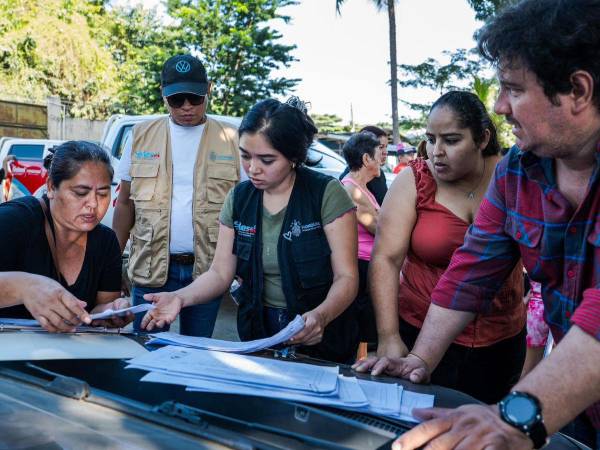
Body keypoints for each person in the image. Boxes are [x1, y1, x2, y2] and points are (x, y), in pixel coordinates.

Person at [365, 1, 600, 449]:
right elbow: (471, 271)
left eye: (513, 89)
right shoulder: (516, 173)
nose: (500, 105)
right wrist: (420, 359)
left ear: (577, 90)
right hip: (580, 408)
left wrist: (515, 417)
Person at [140, 97, 360, 363]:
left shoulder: (326, 194)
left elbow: (347, 277)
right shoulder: (239, 199)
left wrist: (321, 316)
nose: (253, 169)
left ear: (294, 157)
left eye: (267, 160)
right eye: (245, 156)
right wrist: (179, 297)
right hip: (258, 333)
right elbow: (220, 273)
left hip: (321, 335)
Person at [354, 91, 526, 404]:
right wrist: (388, 336)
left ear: (483, 138)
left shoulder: (513, 177)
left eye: (451, 140)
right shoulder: (415, 180)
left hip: (502, 339)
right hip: (420, 332)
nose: (437, 152)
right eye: (431, 139)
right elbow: (386, 259)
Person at [113, 54, 240, 337]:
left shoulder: (232, 139)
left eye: (194, 98)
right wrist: (111, 264)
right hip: (150, 267)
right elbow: (124, 203)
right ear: (163, 94)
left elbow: (245, 209)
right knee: (147, 348)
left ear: (208, 90)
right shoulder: (141, 135)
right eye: (176, 99)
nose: (186, 107)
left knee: (196, 350)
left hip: (207, 270)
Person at [0, 141, 131, 332]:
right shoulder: (14, 220)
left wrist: (110, 311)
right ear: (51, 187)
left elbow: (97, 310)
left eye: (103, 194)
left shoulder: (106, 241)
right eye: (80, 193)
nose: (93, 204)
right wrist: (23, 287)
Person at [340, 132, 383, 345]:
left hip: (367, 263)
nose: (382, 159)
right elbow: (380, 228)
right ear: (366, 159)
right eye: (379, 154)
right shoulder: (351, 189)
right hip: (362, 265)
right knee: (364, 327)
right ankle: (361, 360)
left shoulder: (362, 188)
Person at [339, 125, 389, 205]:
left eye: (386, 147)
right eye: (380, 147)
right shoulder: (350, 184)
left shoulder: (379, 174)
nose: (385, 152)